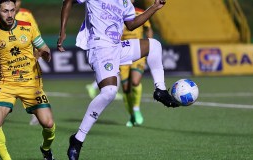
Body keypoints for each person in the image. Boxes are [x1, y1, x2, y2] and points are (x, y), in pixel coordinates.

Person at [57, 0, 179, 159]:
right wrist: (63, 31)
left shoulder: (124, 2)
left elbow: (132, 24)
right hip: (99, 48)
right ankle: (78, 139)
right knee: (109, 92)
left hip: (117, 47)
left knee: (154, 45)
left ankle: (160, 90)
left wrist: (154, 7)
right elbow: (68, 1)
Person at [0, 0, 55, 160]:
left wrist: (46, 53)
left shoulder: (28, 26)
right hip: (6, 84)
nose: (10, 15)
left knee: (48, 124)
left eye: (12, 10)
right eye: (5, 11)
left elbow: (43, 47)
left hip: (31, 83)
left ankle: (46, 149)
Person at [0, 0, 41, 126]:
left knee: (31, 86)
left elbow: (35, 32)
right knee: (10, 85)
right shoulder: (0, 14)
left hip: (26, 57)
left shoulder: (27, 14)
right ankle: (2, 111)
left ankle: (36, 113)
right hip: (8, 58)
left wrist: (38, 50)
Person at [120, 0, 154, 127]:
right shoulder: (117, 12)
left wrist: (150, 44)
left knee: (135, 82)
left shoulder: (140, 12)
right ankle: (131, 115)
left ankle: (136, 109)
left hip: (138, 51)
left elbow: (148, 28)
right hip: (122, 53)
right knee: (126, 88)